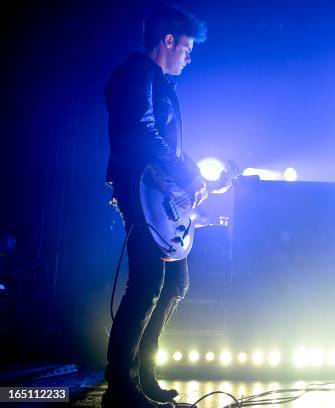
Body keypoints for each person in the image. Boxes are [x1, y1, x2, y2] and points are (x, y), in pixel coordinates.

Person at [102, 6, 207, 408]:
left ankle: (145, 376)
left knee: (175, 284)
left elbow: (168, 144)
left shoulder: (163, 85)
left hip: (159, 196)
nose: (189, 56)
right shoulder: (136, 73)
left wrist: (191, 171)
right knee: (146, 285)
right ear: (167, 41)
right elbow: (142, 133)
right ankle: (121, 388)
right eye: (186, 47)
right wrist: (186, 173)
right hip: (140, 192)